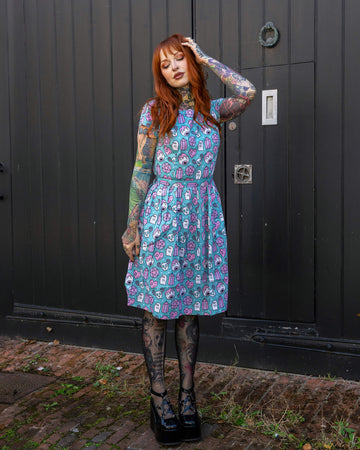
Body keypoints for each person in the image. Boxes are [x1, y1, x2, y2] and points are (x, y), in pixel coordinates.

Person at [122, 34, 256, 445]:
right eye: (166, 63)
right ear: (160, 74)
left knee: (188, 311)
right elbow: (141, 170)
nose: (175, 67)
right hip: (163, 213)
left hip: (201, 216)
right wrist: (132, 224)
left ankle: (187, 398)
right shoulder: (153, 111)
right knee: (156, 309)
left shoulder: (212, 111)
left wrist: (206, 57)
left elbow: (248, 91)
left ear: (192, 63)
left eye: (180, 59)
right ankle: (158, 398)